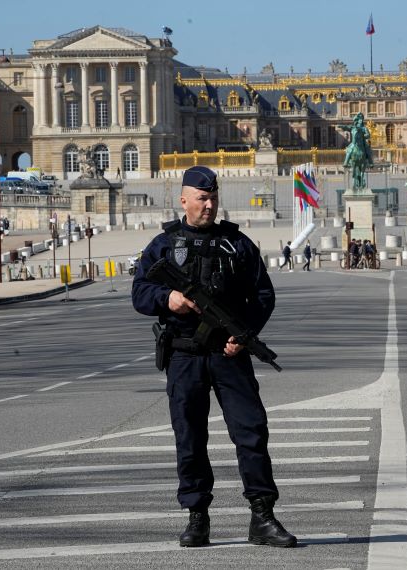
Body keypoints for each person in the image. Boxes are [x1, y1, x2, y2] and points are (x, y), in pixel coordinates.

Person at [131, 165, 296, 549]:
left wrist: (245, 334)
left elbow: (263, 296)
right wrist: (167, 298)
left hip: (229, 354)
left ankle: (262, 516)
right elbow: (140, 293)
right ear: (184, 200)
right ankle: (197, 517)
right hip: (184, 355)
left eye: (213, 198)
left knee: (251, 433)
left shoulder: (236, 244)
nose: (209, 205)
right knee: (190, 437)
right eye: (202, 198)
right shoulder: (162, 246)